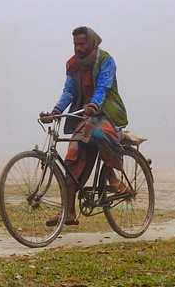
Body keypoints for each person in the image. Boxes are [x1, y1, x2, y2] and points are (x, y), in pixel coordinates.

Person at [40, 26, 128, 226]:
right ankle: (69, 213)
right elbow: (69, 91)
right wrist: (56, 110)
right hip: (85, 116)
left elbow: (103, 87)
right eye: (75, 44)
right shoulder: (73, 66)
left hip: (107, 112)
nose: (78, 48)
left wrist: (95, 105)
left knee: (99, 134)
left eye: (82, 44)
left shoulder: (106, 61)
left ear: (91, 43)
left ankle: (112, 176)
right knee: (72, 161)